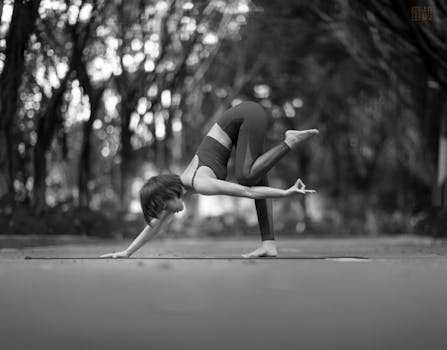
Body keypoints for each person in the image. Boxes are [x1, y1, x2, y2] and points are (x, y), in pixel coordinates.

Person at [101, 101, 318, 259]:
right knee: (255, 176)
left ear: (168, 194)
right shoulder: (183, 185)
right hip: (243, 120)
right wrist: (127, 252)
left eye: (163, 206)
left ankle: (289, 141)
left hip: (247, 115)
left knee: (247, 178)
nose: (167, 212)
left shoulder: (200, 183)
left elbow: (247, 193)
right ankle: (268, 245)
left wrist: (286, 192)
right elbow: (154, 227)